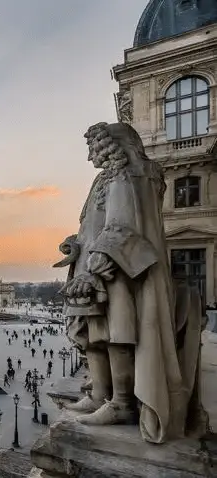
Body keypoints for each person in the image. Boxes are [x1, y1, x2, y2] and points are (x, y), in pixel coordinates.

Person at [57, 122, 205, 443]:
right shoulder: (107, 179)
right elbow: (92, 227)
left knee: (116, 333)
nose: (90, 156)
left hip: (118, 267)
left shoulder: (126, 177)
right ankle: (100, 393)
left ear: (112, 146)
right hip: (93, 262)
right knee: (92, 332)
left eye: (94, 149)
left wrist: (97, 263)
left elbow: (121, 226)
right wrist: (75, 244)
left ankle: (121, 401)